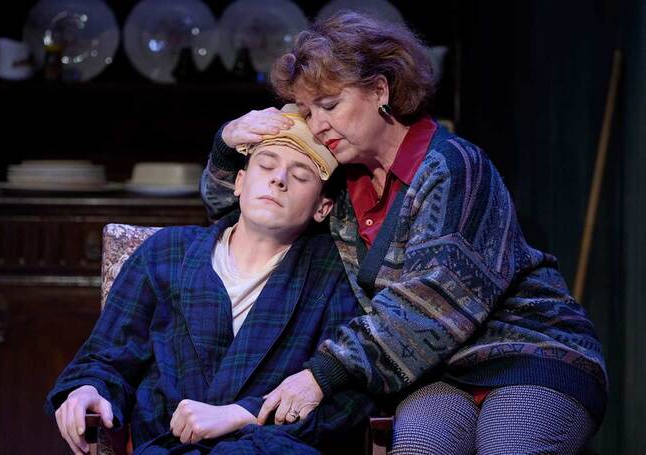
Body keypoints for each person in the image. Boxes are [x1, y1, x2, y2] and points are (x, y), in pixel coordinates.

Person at [200, 11, 608, 454]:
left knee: (511, 444)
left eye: (330, 105)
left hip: (528, 353)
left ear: (380, 89)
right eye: (308, 110)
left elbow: (432, 301)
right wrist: (229, 140)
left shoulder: (452, 166)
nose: (317, 124)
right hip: (435, 371)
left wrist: (323, 373)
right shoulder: (341, 187)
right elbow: (233, 208)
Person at [46, 105, 376, 455]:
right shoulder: (166, 253)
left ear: (322, 207)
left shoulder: (334, 275)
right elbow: (106, 358)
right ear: (239, 182)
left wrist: (244, 415)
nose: (278, 179)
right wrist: (87, 389)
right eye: (265, 165)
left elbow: (349, 399)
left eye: (300, 176)